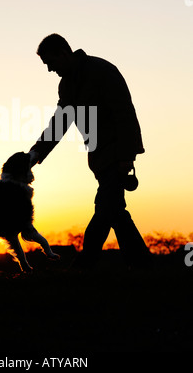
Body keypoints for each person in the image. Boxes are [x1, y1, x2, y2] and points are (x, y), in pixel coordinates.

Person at [28, 33, 151, 269]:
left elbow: (124, 113)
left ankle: (85, 262)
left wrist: (126, 156)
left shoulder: (102, 71)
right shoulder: (67, 85)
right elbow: (61, 121)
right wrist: (35, 154)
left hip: (117, 152)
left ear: (64, 54)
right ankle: (141, 264)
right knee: (114, 211)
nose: (49, 70)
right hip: (100, 156)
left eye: (50, 63)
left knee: (105, 207)